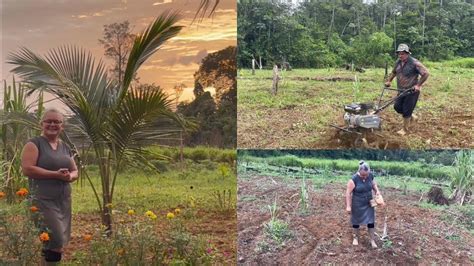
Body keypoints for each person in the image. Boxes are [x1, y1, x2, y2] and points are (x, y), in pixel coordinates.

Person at [21, 108, 78, 263]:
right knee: (55, 240)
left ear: (62, 126)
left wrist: (69, 177)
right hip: (43, 201)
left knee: (54, 242)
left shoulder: (65, 146)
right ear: (42, 124)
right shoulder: (34, 144)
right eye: (49, 121)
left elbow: (75, 170)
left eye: (57, 122)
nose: (52, 124)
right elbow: (27, 169)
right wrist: (55, 175)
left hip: (63, 201)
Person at [385, 43, 429, 136]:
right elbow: (394, 72)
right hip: (401, 90)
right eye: (399, 53)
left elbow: (426, 73)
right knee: (397, 107)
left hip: (412, 91)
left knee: (407, 110)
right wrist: (389, 81)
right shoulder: (398, 62)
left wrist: (418, 85)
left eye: (403, 53)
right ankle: (412, 116)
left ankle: (405, 129)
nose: (400, 55)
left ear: (408, 53)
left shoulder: (414, 63)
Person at [345, 161, 383, 248]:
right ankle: (356, 238)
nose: (365, 176)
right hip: (357, 203)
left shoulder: (370, 175)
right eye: (363, 175)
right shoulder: (353, 179)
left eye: (366, 174)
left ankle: (372, 240)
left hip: (369, 202)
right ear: (359, 171)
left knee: (371, 221)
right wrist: (348, 206)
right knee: (356, 220)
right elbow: (348, 193)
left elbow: (374, 185)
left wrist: (377, 191)